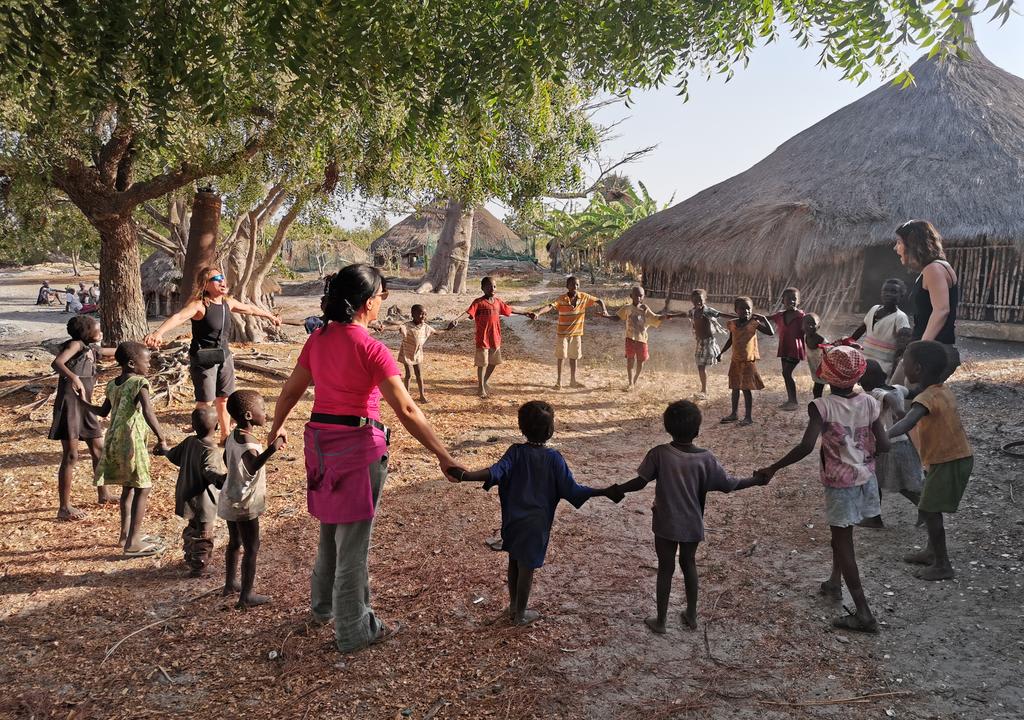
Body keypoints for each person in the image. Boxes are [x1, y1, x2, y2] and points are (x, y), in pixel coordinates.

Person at [268, 263, 458, 652]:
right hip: (358, 448)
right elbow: (406, 410)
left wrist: (276, 427)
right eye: (381, 297)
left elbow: (290, 392)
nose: (381, 304)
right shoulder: (373, 349)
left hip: (320, 444)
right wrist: (442, 454)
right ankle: (354, 629)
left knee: (330, 532)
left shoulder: (317, 339)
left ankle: (323, 610)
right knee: (353, 543)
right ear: (368, 303)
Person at [448, 401, 621, 625]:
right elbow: (573, 490)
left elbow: (494, 472)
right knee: (527, 568)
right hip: (536, 525)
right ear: (551, 430)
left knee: (514, 561)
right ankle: (520, 614)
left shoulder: (515, 452)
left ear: (521, 428)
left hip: (512, 522)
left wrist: (466, 475)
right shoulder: (554, 459)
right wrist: (604, 491)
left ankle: (513, 606)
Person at [756, 344, 890, 633]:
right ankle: (833, 582)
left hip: (840, 485)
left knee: (844, 543)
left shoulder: (822, 407)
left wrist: (773, 468)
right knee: (842, 535)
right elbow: (886, 444)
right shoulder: (869, 402)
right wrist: (865, 456)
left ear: (825, 376)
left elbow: (806, 446)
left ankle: (864, 613)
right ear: (859, 374)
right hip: (865, 480)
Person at [604, 400, 768, 633]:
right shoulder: (706, 459)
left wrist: (618, 488)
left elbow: (640, 482)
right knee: (688, 563)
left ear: (667, 428)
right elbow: (729, 484)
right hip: (692, 522)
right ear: (697, 430)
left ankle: (660, 621)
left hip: (665, 521)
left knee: (665, 568)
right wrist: (757, 480)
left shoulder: (659, 454)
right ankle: (691, 614)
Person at [144, 267, 281, 443]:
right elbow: (178, 317)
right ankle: (203, 440)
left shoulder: (227, 302)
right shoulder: (199, 305)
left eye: (222, 277)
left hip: (224, 357)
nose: (222, 281)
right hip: (204, 359)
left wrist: (270, 316)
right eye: (216, 278)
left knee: (224, 399)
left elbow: (249, 309)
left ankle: (225, 437)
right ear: (205, 284)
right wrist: (158, 332)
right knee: (205, 402)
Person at [886, 341, 973, 581]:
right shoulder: (939, 389)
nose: (902, 364)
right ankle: (931, 552)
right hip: (951, 457)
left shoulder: (927, 398)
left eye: (906, 361)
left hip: (950, 460)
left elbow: (908, 422)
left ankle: (943, 564)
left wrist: (881, 435)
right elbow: (913, 403)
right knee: (928, 507)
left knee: (929, 509)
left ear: (918, 369)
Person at [87, 342, 171, 556]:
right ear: (132, 363)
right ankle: (133, 542)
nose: (149, 365)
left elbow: (103, 411)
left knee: (129, 488)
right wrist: (162, 438)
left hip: (115, 439)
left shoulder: (112, 384)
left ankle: (125, 535)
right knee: (143, 488)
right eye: (147, 361)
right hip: (132, 440)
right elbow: (149, 413)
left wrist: (82, 403)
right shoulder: (139, 382)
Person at [49, 315, 117, 519]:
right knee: (71, 455)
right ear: (87, 333)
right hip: (70, 404)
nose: (101, 332)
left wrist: (137, 347)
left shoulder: (91, 348)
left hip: (85, 405)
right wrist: (74, 377)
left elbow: (109, 352)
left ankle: (103, 494)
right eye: (98, 330)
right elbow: (57, 363)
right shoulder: (76, 345)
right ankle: (64, 507)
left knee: (98, 449)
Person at [219, 390, 282, 607]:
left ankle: (230, 584)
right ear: (248, 415)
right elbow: (253, 465)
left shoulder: (232, 437)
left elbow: (227, 459)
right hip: (244, 503)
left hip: (230, 496)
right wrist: (272, 449)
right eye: (262, 409)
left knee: (234, 542)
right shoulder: (249, 443)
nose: (265, 414)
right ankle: (246, 597)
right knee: (252, 548)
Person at [855, 360, 922, 529]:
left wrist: (900, 412)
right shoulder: (897, 388)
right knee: (876, 481)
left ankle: (927, 511)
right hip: (898, 444)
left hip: (889, 446)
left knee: (902, 486)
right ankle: (874, 517)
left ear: (864, 380)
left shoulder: (876, 393)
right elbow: (913, 392)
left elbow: (888, 398)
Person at [892, 220, 959, 381]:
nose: (896, 248)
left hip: (930, 353)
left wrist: (918, 350)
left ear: (913, 245)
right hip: (929, 349)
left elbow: (941, 310)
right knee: (897, 395)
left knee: (902, 400)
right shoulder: (934, 268)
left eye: (900, 242)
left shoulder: (933, 269)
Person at [448, 277, 535, 398]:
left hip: (495, 337)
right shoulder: (478, 302)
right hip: (482, 338)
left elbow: (510, 310)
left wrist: (526, 312)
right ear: (482, 288)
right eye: (489, 286)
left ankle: (484, 380)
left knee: (493, 362)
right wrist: (457, 320)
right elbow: (468, 313)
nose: (492, 289)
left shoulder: (498, 302)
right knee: (482, 363)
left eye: (494, 286)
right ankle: (481, 387)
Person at [168, 407, 228, 577]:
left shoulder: (189, 441)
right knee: (204, 533)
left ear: (193, 426)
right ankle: (199, 566)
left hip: (186, 495)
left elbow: (174, 456)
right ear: (217, 426)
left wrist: (164, 450)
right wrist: (222, 479)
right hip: (203, 501)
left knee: (192, 527)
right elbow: (208, 470)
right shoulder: (211, 449)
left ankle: (189, 556)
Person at [534, 275, 610, 389]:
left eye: (577, 284)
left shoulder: (583, 297)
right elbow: (550, 306)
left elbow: (599, 300)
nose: (575, 286)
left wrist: (604, 310)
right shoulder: (561, 299)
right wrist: (538, 313)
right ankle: (559, 382)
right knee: (561, 357)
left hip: (576, 333)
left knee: (573, 357)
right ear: (567, 286)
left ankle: (573, 381)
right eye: (572, 284)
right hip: (562, 333)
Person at [601, 286, 671, 389]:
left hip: (642, 340)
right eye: (636, 295)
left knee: (640, 361)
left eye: (640, 296)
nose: (638, 298)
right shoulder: (627, 308)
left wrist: (664, 317)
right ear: (631, 296)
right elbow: (617, 318)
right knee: (630, 360)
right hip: (630, 339)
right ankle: (630, 383)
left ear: (643, 297)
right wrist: (606, 316)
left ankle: (635, 379)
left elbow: (654, 317)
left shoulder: (644, 309)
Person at [718, 297, 774, 426]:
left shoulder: (753, 323)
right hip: (735, 361)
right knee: (735, 387)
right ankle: (734, 414)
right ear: (736, 310)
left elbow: (770, 332)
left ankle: (748, 417)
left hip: (748, 362)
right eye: (742, 308)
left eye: (748, 308)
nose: (746, 311)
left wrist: (764, 319)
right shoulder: (732, 324)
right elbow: (731, 340)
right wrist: (721, 352)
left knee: (746, 388)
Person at [379, 304, 448, 403]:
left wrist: (448, 329)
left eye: (425, 314)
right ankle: (406, 395)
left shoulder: (425, 327)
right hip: (407, 352)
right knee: (409, 374)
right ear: (413, 315)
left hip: (418, 352)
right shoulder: (407, 326)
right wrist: (384, 328)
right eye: (421, 314)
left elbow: (436, 332)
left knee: (419, 374)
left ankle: (422, 396)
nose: (423, 316)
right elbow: (397, 327)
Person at [676, 289, 733, 399]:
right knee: (700, 366)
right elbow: (684, 314)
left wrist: (737, 317)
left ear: (704, 300)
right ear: (691, 301)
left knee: (701, 366)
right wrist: (671, 315)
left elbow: (720, 314)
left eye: (700, 300)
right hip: (700, 342)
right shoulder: (693, 312)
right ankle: (704, 389)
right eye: (695, 300)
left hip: (708, 342)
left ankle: (704, 390)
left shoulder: (708, 311)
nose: (698, 302)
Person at [849, 279, 911, 377]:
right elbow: (861, 329)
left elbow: (901, 349)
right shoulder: (874, 309)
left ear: (901, 296)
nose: (888, 294)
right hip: (864, 363)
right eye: (885, 291)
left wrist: (893, 374)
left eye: (893, 292)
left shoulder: (900, 317)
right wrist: (847, 345)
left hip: (883, 369)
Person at [769, 288, 806, 410]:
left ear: (799, 301)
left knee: (786, 373)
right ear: (782, 301)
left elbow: (812, 326)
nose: (792, 301)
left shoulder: (801, 316)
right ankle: (790, 400)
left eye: (794, 299)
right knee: (785, 374)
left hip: (795, 349)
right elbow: (767, 318)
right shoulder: (780, 315)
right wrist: (752, 317)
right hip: (784, 348)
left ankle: (794, 401)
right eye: (789, 299)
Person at [803, 313, 827, 400]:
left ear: (818, 326)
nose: (810, 326)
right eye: (807, 323)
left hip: (825, 369)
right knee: (817, 390)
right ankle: (818, 406)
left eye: (813, 324)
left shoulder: (821, 340)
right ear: (802, 325)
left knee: (832, 389)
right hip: (816, 369)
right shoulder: (805, 337)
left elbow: (831, 352)